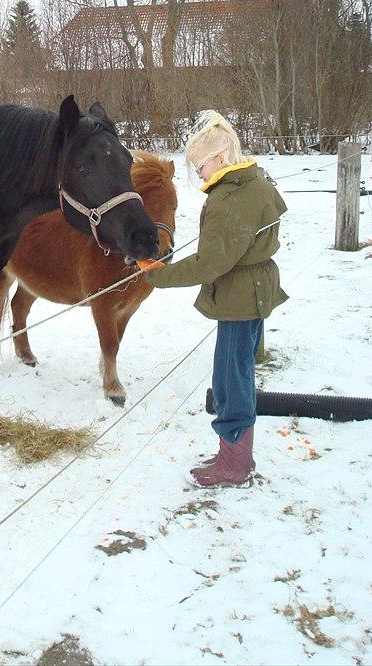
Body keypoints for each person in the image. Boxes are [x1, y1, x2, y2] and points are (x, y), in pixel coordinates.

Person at [142, 111, 288, 488]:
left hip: (240, 297)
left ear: (220, 158)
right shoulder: (254, 180)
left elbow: (211, 262)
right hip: (252, 289)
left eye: (200, 166)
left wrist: (159, 274)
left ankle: (234, 463)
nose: (200, 175)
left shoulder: (229, 199)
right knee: (237, 372)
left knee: (230, 379)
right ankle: (235, 453)